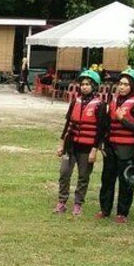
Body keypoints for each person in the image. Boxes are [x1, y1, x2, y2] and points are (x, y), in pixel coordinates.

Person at [97, 69, 134, 223]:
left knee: (125, 182)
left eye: (126, 84)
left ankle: (122, 213)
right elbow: (105, 125)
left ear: (133, 86)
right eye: (120, 84)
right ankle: (105, 209)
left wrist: (122, 119)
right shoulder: (113, 100)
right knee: (107, 179)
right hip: (110, 146)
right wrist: (101, 144)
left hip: (126, 149)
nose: (122, 87)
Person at [55, 69, 104, 216]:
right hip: (71, 145)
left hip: (87, 147)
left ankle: (78, 204)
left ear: (94, 86)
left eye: (88, 84)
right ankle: (62, 202)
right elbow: (68, 124)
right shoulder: (75, 101)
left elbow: (100, 131)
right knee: (64, 173)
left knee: (83, 176)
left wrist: (94, 150)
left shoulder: (99, 105)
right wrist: (61, 144)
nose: (84, 87)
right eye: (82, 84)